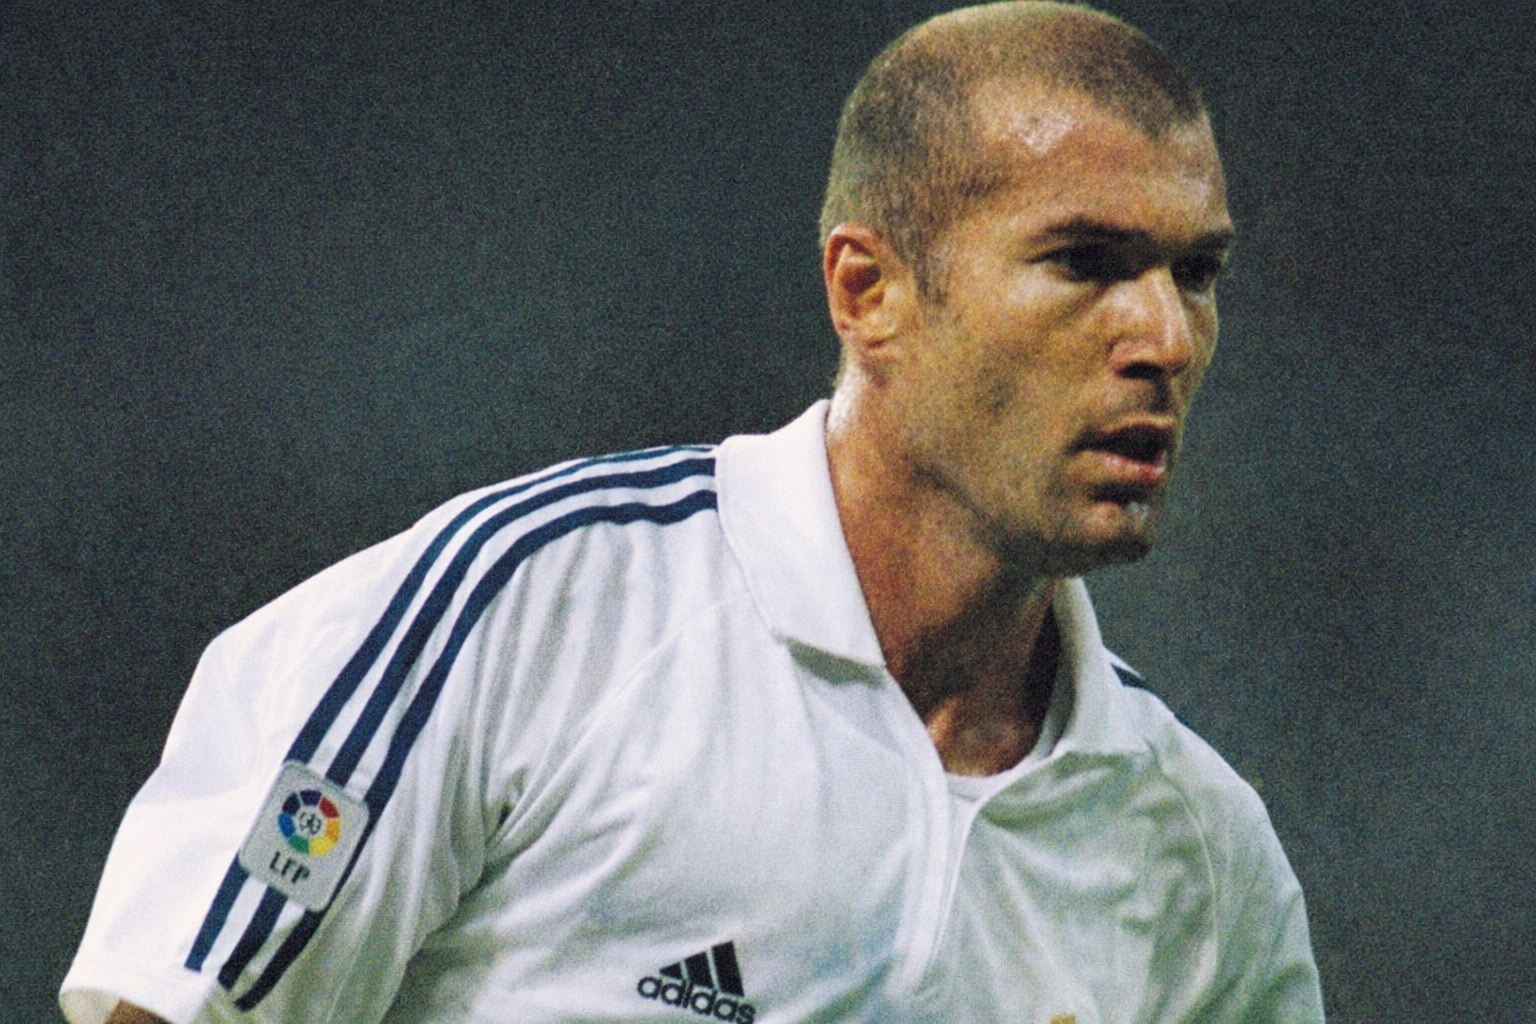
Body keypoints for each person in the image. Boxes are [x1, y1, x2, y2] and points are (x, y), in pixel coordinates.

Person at [62, 3, 1325, 1022]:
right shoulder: (528, 615)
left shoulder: (1198, 856)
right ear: (869, 290)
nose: (1164, 336)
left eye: (1196, 274)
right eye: (1086, 263)